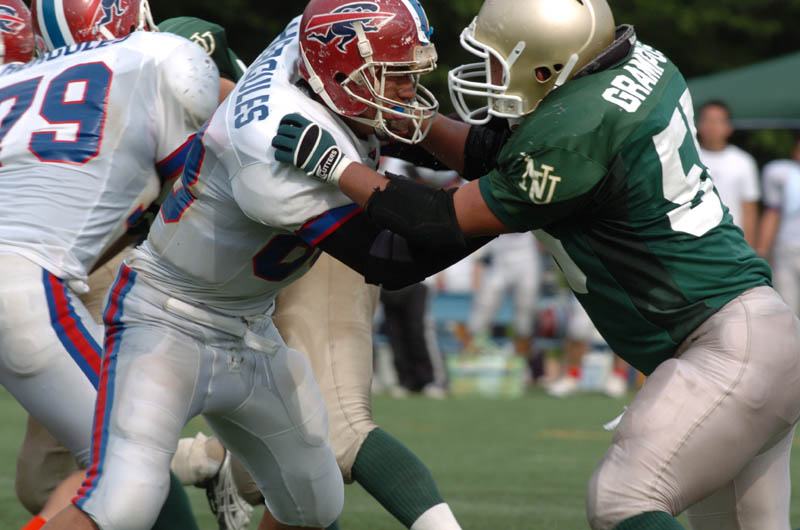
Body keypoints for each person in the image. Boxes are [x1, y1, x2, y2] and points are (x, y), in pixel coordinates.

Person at [271, 0, 800, 528]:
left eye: (499, 61)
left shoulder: (574, 135)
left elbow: (437, 222)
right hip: (762, 334)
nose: (490, 75)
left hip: (722, 350)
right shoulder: (632, 65)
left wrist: (336, 167)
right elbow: (496, 152)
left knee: (623, 500)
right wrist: (396, 119)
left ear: (548, 66)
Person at [43, 1, 468, 529]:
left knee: (314, 505)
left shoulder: (308, 50)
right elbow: (394, 257)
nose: (406, 90)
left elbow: (319, 23)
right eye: (393, 75)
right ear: (339, 74)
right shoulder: (275, 148)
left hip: (250, 331)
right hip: (166, 323)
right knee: (124, 502)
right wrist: (501, 209)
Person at [0, 1, 220, 530]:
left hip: (23, 276)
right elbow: (192, 193)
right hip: (24, 287)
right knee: (131, 455)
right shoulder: (155, 59)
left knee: (112, 463)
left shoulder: (16, 83)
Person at [696, 100, 761, 245]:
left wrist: (748, 247)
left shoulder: (743, 161)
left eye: (717, 121)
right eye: (707, 120)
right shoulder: (687, 158)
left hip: (732, 242)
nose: (712, 126)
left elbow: (749, 209)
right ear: (698, 125)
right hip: (695, 242)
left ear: (729, 127)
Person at [756, 135, 800, 314]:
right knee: (786, 307)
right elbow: (772, 213)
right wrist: (761, 251)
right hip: (786, 247)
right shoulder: (780, 172)